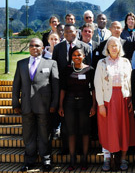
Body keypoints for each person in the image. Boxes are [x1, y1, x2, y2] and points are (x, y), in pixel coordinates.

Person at [12, 38, 59, 172]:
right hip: (26, 106)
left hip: (45, 106)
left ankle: (46, 160)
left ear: (43, 47)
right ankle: (29, 161)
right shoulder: (21, 64)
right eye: (32, 46)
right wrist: (15, 103)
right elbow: (16, 85)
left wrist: (54, 103)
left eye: (37, 46)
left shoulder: (51, 63)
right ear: (29, 48)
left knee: (45, 134)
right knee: (28, 135)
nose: (34, 48)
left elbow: (55, 86)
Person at [94, 37, 135, 171]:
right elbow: (98, 84)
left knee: (124, 129)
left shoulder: (126, 62)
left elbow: (131, 83)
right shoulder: (102, 63)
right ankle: (107, 159)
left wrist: (132, 100)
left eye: (116, 45)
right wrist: (100, 104)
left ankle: (123, 158)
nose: (113, 48)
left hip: (124, 99)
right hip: (107, 100)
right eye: (111, 45)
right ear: (107, 48)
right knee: (107, 129)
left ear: (119, 48)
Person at [58, 47, 96, 171]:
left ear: (84, 56)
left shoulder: (90, 70)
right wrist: (61, 105)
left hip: (85, 103)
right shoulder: (66, 70)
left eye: (79, 55)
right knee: (71, 132)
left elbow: (93, 90)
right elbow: (62, 89)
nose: (76, 57)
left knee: (85, 132)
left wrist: (94, 105)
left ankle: (84, 159)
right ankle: (72, 160)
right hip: (69, 104)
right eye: (74, 55)